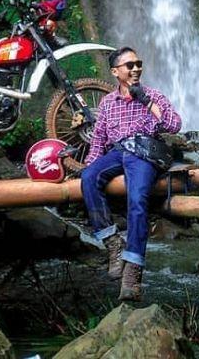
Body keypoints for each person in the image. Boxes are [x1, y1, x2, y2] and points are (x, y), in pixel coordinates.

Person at [80, 47, 182, 301]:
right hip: (117, 152)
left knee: (137, 199)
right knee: (89, 177)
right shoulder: (107, 103)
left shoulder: (153, 95)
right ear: (115, 72)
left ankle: (133, 271)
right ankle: (113, 242)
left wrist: (146, 101)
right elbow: (98, 142)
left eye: (138, 63)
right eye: (129, 65)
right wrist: (89, 167)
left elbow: (174, 125)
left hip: (144, 152)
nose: (136, 68)